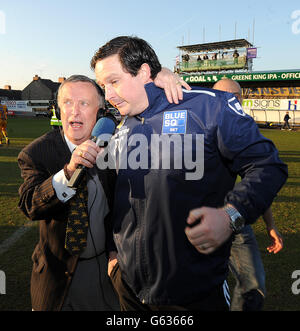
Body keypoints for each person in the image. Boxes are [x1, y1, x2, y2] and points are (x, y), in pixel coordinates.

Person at [90, 36, 288, 311]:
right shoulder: (123, 126)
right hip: (130, 291)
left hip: (194, 295)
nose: (108, 95)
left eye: (114, 81)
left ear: (145, 72)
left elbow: (268, 165)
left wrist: (231, 215)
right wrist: (115, 257)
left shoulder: (209, 107)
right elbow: (121, 198)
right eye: (103, 86)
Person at [18, 71, 187, 311]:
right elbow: (30, 204)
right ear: (58, 109)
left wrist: (160, 81)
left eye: (84, 103)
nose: (74, 111)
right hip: (57, 277)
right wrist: (68, 172)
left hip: (107, 268)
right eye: (67, 103)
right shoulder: (36, 152)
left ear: (98, 111)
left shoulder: (116, 145)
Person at [213, 78, 284, 311]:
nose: (231, 102)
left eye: (235, 98)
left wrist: (270, 225)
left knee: (253, 286)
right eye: (226, 97)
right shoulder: (196, 129)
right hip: (197, 222)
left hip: (235, 220)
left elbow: (255, 185)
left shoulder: (242, 132)